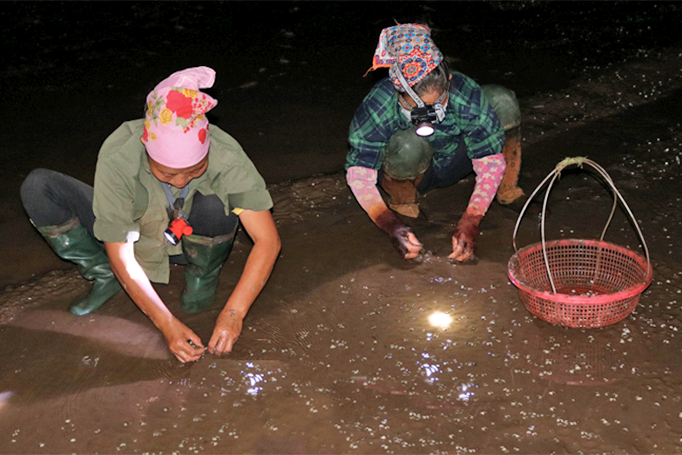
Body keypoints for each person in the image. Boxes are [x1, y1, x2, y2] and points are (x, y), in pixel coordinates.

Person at [20, 67, 281, 363]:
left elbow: (267, 241)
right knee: (38, 186)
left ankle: (202, 278)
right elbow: (121, 252)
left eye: (196, 170)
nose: (181, 181)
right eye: (167, 173)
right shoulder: (119, 153)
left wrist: (234, 313)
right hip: (137, 240)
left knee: (212, 205)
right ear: (146, 148)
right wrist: (165, 323)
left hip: (191, 242)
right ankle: (104, 274)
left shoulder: (228, 155)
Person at [345, 23, 525, 261]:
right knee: (409, 143)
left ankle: (507, 189)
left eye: (437, 103)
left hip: (455, 160)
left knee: (500, 99)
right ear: (396, 90)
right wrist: (387, 222)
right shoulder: (379, 104)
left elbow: (489, 160)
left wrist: (471, 220)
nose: (428, 114)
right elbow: (359, 171)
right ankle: (403, 204)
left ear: (448, 80)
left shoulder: (463, 91)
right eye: (415, 106)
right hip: (413, 170)